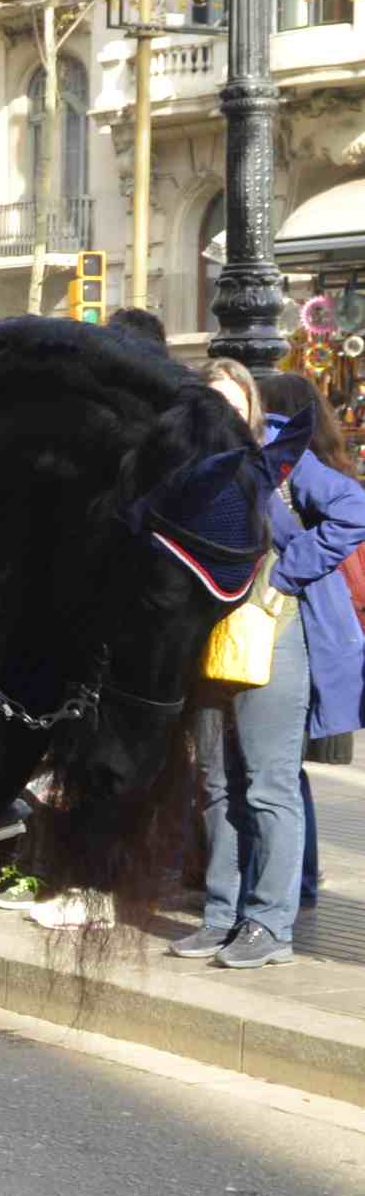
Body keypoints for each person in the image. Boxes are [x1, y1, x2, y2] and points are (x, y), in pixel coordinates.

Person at [171, 359, 365, 967]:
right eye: (211, 405)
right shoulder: (185, 465)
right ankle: (222, 915)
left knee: (268, 784)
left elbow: (353, 508)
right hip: (207, 641)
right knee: (217, 785)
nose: (223, 416)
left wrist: (288, 570)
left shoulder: (280, 454)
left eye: (233, 403)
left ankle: (271, 925)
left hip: (272, 635)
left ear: (251, 407)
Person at [258, 370, 361, 907]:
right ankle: (298, 878)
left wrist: (285, 568)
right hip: (320, 632)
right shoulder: (319, 464)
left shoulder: (296, 467)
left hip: (306, 631)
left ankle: (291, 884)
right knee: (283, 770)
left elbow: (352, 514)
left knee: (277, 772)